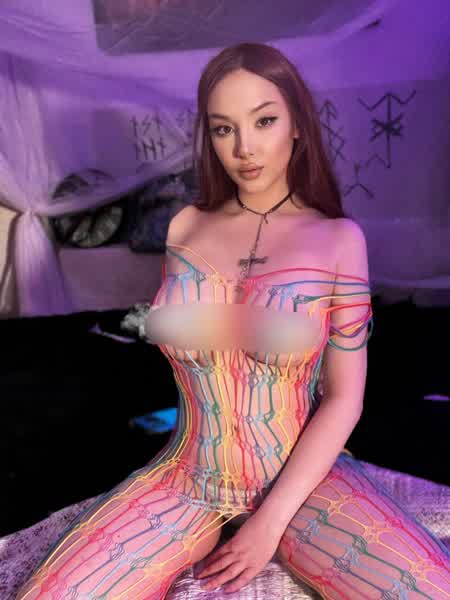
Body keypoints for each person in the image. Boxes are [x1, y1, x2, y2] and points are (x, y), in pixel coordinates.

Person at [17, 42, 449, 600]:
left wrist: (267, 525)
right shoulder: (185, 228)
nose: (244, 148)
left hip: (301, 483)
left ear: (297, 123)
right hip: (187, 478)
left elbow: (345, 399)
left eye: (264, 121)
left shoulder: (339, 239)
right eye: (224, 129)